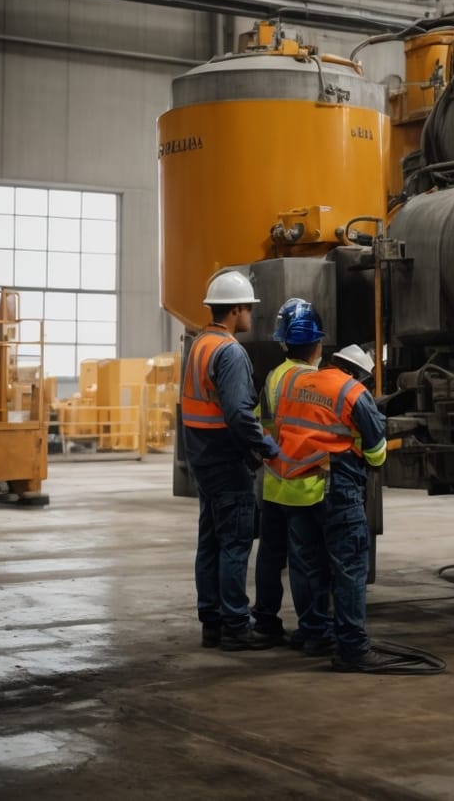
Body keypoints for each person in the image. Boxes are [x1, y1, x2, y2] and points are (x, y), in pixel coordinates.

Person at [265, 343, 390, 671]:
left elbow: (279, 426)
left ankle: (313, 634)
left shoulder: (294, 382)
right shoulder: (353, 391)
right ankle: (352, 649)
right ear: (357, 373)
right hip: (337, 489)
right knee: (349, 568)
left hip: (296, 488)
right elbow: (377, 450)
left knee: (308, 565)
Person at [181, 270, 281, 651]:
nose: (251, 316)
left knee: (210, 541)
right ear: (236, 309)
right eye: (249, 309)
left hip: (202, 457)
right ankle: (237, 626)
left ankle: (212, 623)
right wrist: (267, 448)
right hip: (226, 459)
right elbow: (239, 414)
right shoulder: (230, 352)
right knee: (235, 544)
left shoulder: (198, 344)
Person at [253, 298, 323, 651]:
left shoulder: (273, 377)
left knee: (269, 555)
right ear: (317, 344)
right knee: (304, 559)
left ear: (284, 342)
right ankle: (310, 630)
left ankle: (265, 621)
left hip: (273, 480)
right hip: (304, 484)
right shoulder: (314, 382)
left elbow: (258, 420)